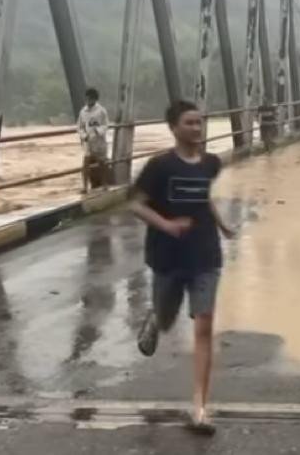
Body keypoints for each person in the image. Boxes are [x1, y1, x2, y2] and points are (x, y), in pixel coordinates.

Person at [131, 100, 235, 434]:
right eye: (189, 123)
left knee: (203, 327)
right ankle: (154, 318)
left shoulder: (211, 163)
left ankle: (200, 409)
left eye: (199, 122)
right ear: (173, 127)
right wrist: (166, 224)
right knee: (165, 320)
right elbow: (135, 203)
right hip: (168, 258)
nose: (196, 128)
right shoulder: (159, 167)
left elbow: (202, 196)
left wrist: (221, 225)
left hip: (205, 256)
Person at [77, 88, 109, 193]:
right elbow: (80, 126)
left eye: (90, 98)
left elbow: (105, 125)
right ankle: (85, 187)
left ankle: (105, 184)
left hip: (99, 141)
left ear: (95, 99)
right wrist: (83, 135)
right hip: (88, 141)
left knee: (102, 163)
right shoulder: (83, 112)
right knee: (85, 163)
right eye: (87, 98)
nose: (88, 100)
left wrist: (97, 131)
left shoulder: (101, 111)